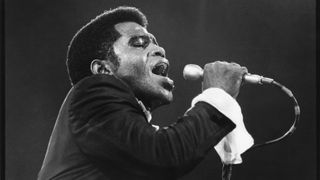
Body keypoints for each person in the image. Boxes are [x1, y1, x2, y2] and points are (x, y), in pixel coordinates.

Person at [38, 6, 253, 180]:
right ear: (103, 70)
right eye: (139, 44)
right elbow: (164, 154)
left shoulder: (120, 133)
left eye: (155, 43)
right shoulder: (91, 93)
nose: (159, 50)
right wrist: (217, 96)